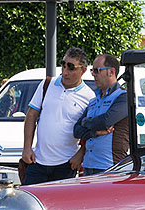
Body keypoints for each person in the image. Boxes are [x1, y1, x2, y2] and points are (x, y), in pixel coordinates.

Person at [21, 47, 95, 184]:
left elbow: (91, 131)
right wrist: (27, 147)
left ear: (83, 70)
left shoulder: (89, 96)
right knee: (29, 197)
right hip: (37, 161)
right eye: (63, 65)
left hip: (66, 165)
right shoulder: (47, 84)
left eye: (71, 67)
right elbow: (31, 115)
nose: (65, 72)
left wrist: (81, 154)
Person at [73, 54, 129, 175]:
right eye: (92, 70)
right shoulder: (94, 100)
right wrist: (95, 132)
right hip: (88, 165)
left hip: (110, 167)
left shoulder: (123, 97)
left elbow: (105, 121)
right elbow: (76, 130)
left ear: (111, 72)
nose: (93, 74)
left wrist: (86, 122)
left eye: (97, 70)